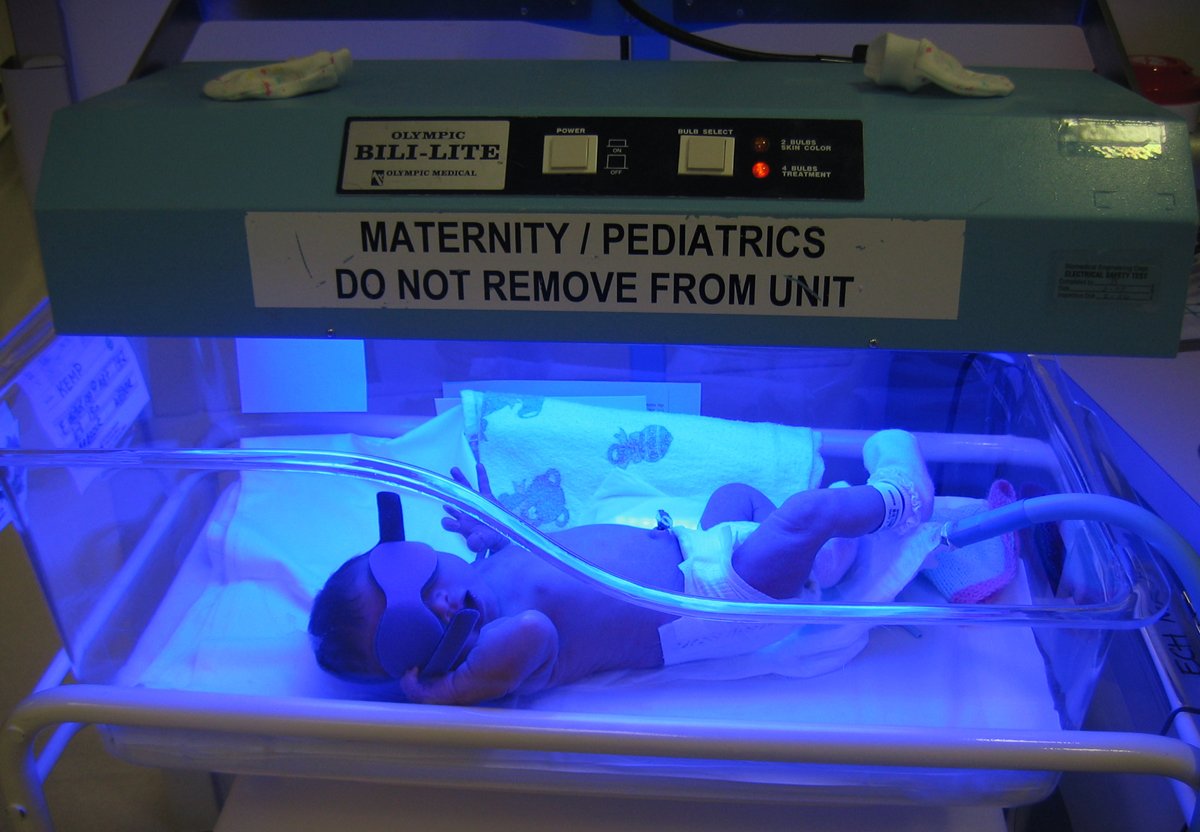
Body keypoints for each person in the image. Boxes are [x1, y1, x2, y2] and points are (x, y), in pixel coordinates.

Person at [308, 430, 933, 705]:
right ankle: (900, 498)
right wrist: (446, 690)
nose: (441, 602)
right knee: (805, 514)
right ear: (414, 665)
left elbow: (535, 549)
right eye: (413, 628)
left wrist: (491, 526)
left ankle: (819, 568)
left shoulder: (487, 566)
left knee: (738, 496)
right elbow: (537, 630)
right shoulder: (503, 647)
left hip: (698, 547)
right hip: (712, 607)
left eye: (422, 578)